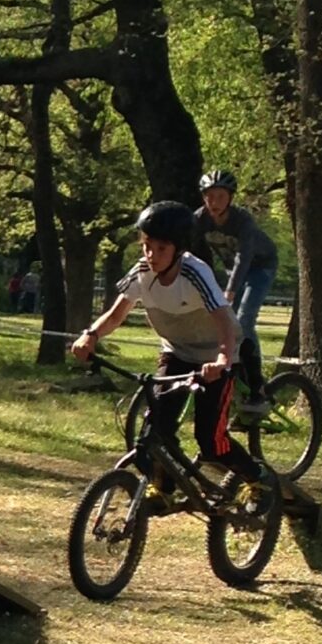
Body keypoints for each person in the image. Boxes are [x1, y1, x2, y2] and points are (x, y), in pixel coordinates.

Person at [72, 200, 254, 478]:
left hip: (215, 357)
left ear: (178, 248)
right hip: (177, 353)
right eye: (146, 245)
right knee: (154, 432)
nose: (151, 255)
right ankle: (165, 487)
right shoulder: (142, 271)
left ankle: (257, 479)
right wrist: (91, 335)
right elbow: (116, 314)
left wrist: (222, 360)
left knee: (211, 442)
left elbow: (224, 322)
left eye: (161, 249)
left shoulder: (194, 272)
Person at [190, 170, 279, 400]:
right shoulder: (200, 218)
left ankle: (257, 383)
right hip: (233, 271)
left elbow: (244, 257)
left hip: (259, 267)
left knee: (244, 320)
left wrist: (229, 291)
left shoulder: (242, 220)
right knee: (225, 321)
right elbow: (189, 249)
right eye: (209, 196)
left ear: (230, 198)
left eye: (220, 196)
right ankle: (235, 369)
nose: (214, 202)